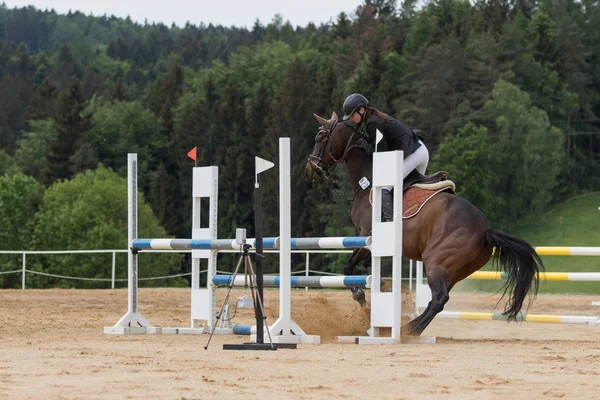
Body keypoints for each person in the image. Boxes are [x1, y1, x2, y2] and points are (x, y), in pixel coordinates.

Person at [342, 93, 430, 221]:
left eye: (352, 115)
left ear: (361, 110)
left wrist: (367, 148)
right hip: (418, 150)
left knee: (384, 187)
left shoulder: (372, 123)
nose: (351, 119)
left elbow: (381, 154)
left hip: (414, 153)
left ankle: (390, 224)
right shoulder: (374, 118)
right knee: (403, 190)